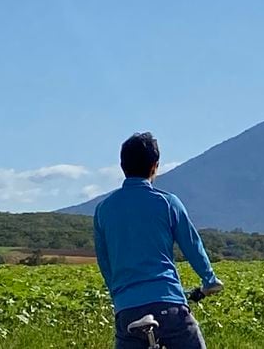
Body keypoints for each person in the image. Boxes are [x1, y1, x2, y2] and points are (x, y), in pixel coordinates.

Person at [94, 132, 224, 349]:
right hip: (168, 305)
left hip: (127, 310)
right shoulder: (167, 203)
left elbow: (105, 261)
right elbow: (192, 245)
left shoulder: (103, 210)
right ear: (155, 166)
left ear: (122, 166)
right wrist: (209, 280)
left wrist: (119, 296)